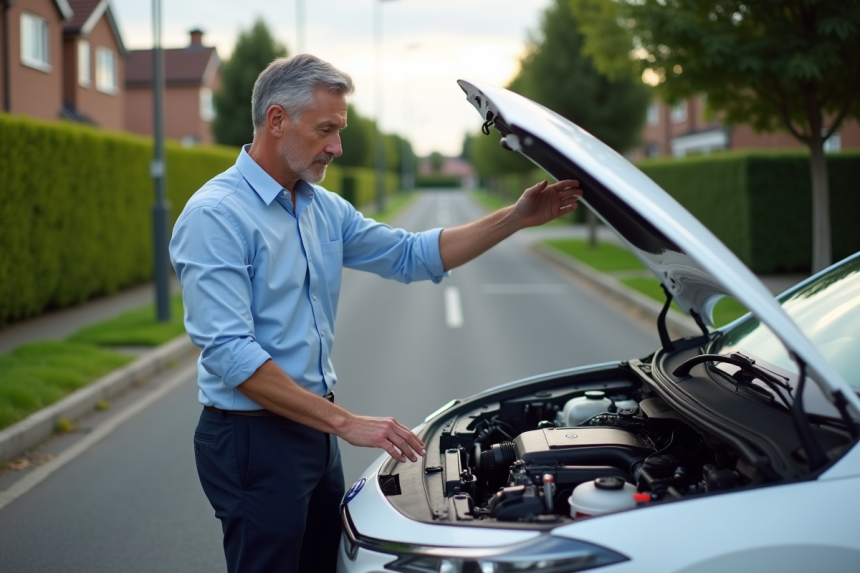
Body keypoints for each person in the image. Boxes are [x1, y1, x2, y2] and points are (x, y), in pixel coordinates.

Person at [169, 54, 582, 573]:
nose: (337, 147)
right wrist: (346, 423)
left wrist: (516, 219)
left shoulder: (321, 208)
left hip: (312, 431)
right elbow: (230, 354)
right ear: (276, 121)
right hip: (252, 440)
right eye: (326, 129)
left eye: (339, 131)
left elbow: (412, 254)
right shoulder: (215, 216)